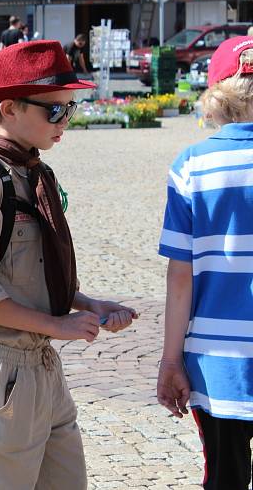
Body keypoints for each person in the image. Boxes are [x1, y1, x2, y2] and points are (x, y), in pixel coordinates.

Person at [0, 40, 138, 490]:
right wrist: (57, 324)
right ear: (8, 107)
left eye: (71, 108)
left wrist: (88, 304)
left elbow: (37, 275)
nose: (66, 121)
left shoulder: (36, 174)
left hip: (42, 363)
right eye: (55, 111)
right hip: (3, 365)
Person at [157, 35, 253, 490]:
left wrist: (170, 360)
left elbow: (180, 279)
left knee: (225, 476)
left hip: (217, 361)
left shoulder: (192, 165)